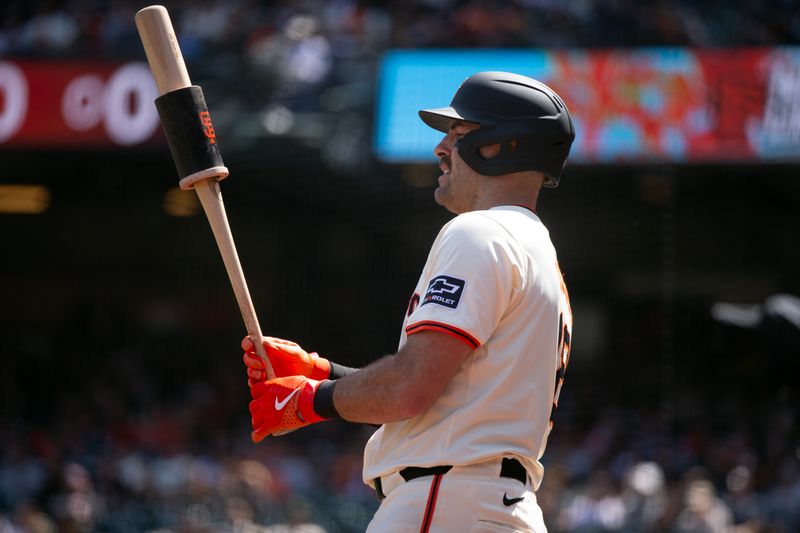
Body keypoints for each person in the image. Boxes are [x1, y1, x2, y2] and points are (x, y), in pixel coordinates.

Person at [242, 71, 575, 532]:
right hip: (498, 506)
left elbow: (410, 388)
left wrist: (308, 401)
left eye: (458, 134)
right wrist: (326, 374)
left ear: (503, 145)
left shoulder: (480, 231)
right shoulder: (536, 248)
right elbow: (449, 391)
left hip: (447, 499)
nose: (440, 149)